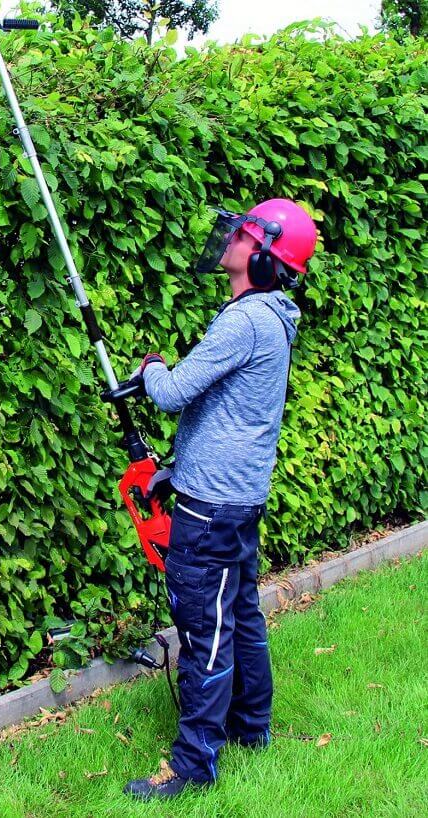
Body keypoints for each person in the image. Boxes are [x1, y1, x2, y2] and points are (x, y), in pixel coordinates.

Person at [123, 199, 318, 801]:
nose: (231, 236)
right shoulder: (271, 316)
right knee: (241, 616)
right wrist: (174, 470)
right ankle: (251, 730)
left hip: (210, 509)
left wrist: (151, 367)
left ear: (263, 257)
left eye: (245, 232)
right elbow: (226, 416)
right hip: (235, 497)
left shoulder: (244, 320)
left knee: (205, 629)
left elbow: (176, 393)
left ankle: (194, 767)